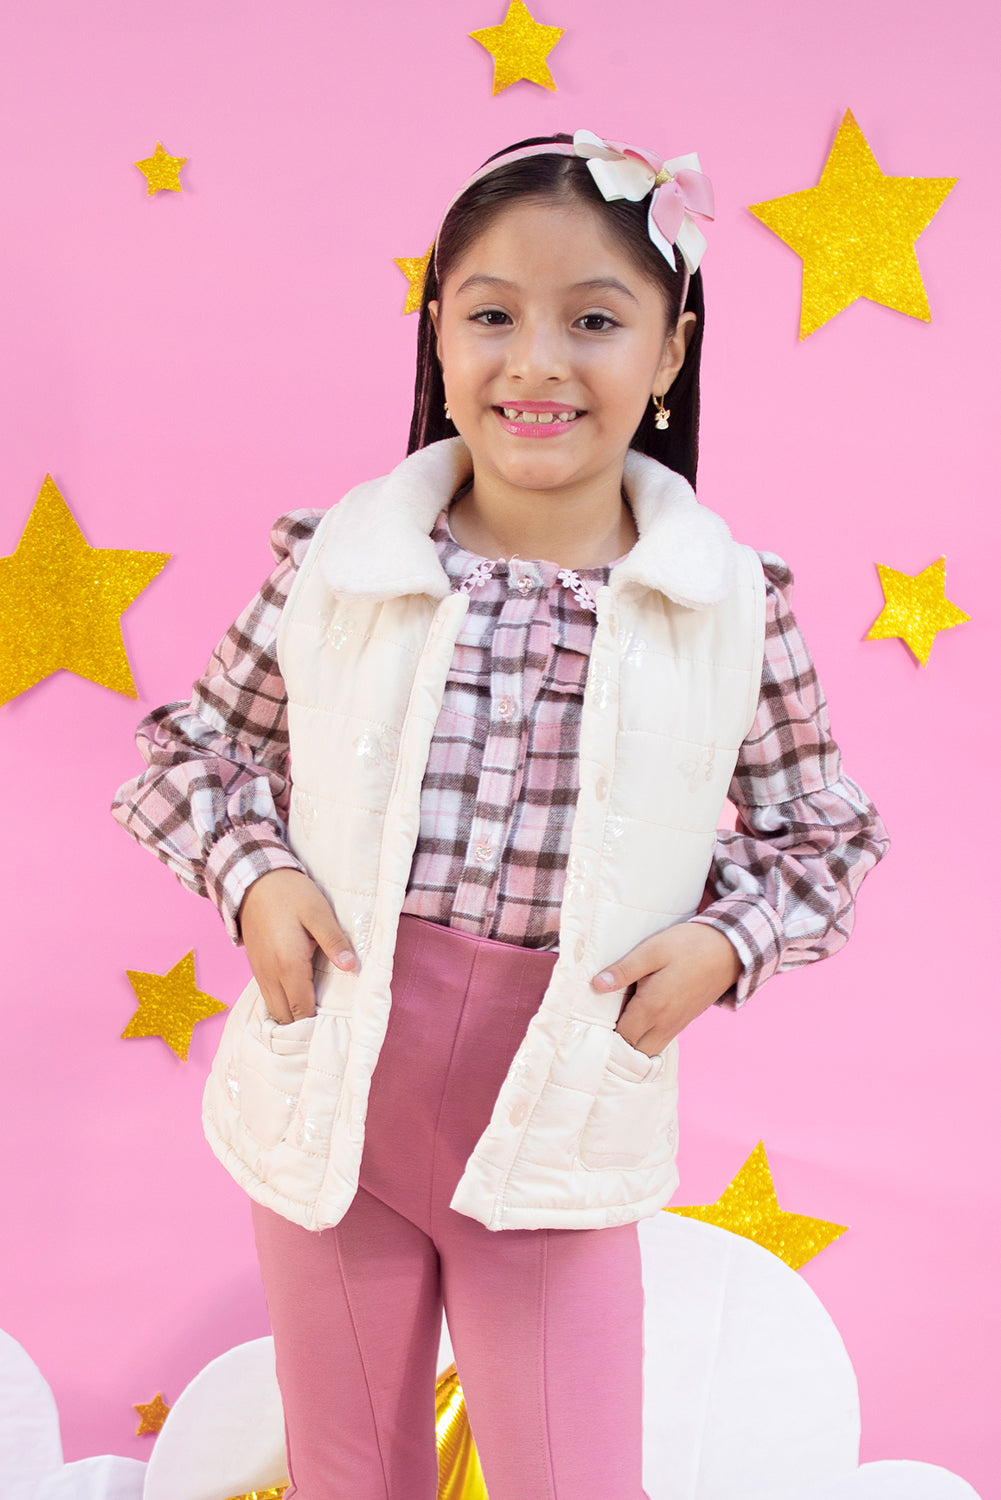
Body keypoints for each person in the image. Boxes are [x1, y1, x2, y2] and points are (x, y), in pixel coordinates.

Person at [112, 129, 888, 1500]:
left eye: (593, 320)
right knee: (351, 1472)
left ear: (669, 351)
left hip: (557, 1115)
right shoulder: (342, 562)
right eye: (491, 316)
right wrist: (256, 876)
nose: (535, 363)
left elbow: (822, 837)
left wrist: (726, 945)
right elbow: (190, 751)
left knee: (569, 1478)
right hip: (332, 1091)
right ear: (436, 330)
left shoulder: (727, 607)